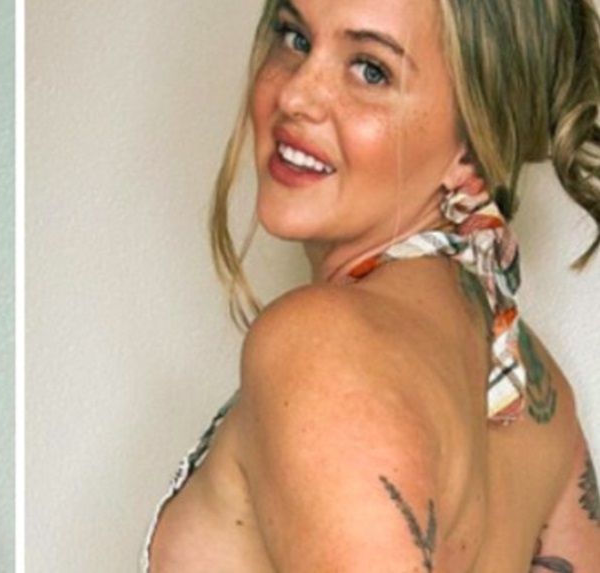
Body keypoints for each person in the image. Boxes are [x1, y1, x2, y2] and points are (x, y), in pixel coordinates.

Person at [143, 0, 600, 570]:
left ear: (473, 147)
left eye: (370, 70)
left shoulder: (317, 347)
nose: (296, 95)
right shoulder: (537, 391)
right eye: (294, 37)